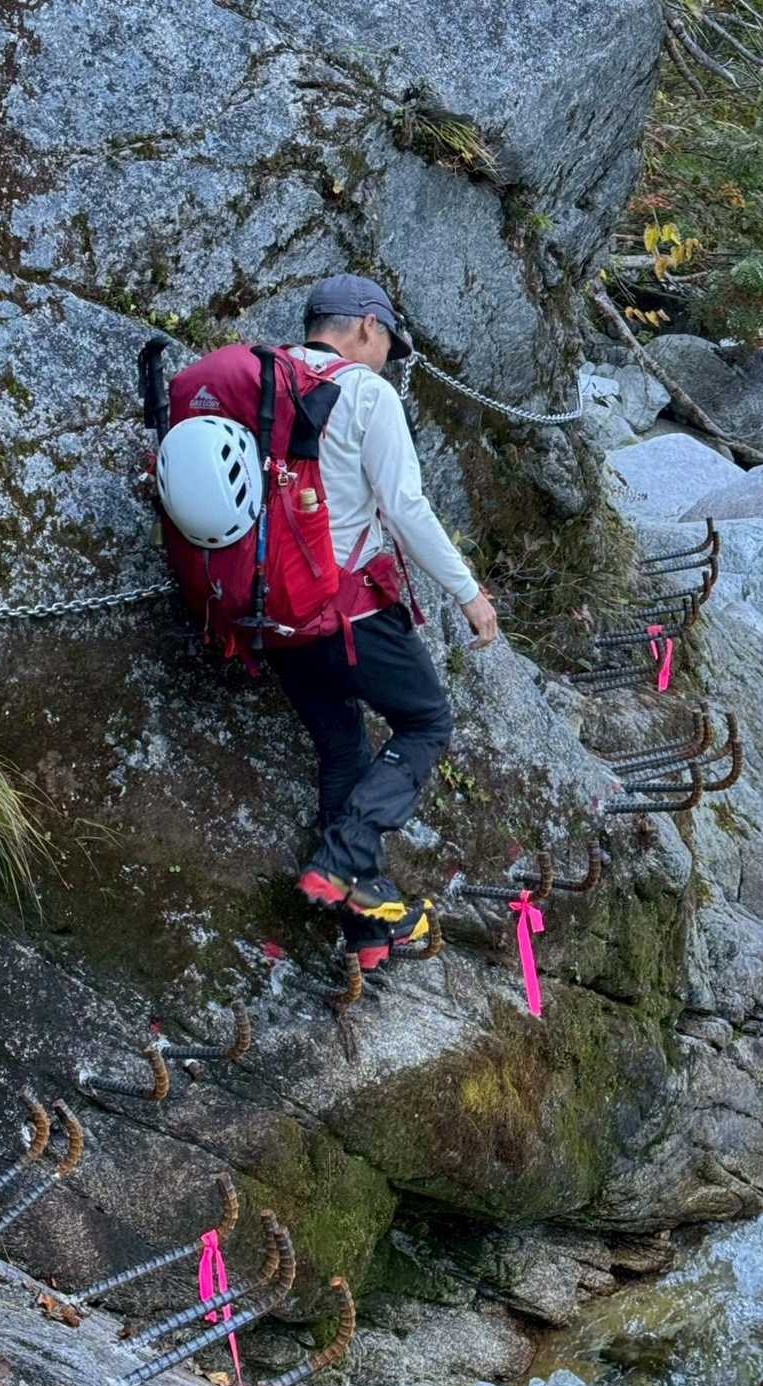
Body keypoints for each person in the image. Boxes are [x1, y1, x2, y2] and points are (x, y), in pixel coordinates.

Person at [271, 274, 498, 971]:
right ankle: (340, 860)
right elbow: (404, 507)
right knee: (426, 720)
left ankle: (366, 932)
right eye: (386, 346)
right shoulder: (367, 394)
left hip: (270, 615)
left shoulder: (265, 382)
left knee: (342, 748)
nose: (385, 361)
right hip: (348, 613)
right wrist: (468, 594)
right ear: (368, 326)